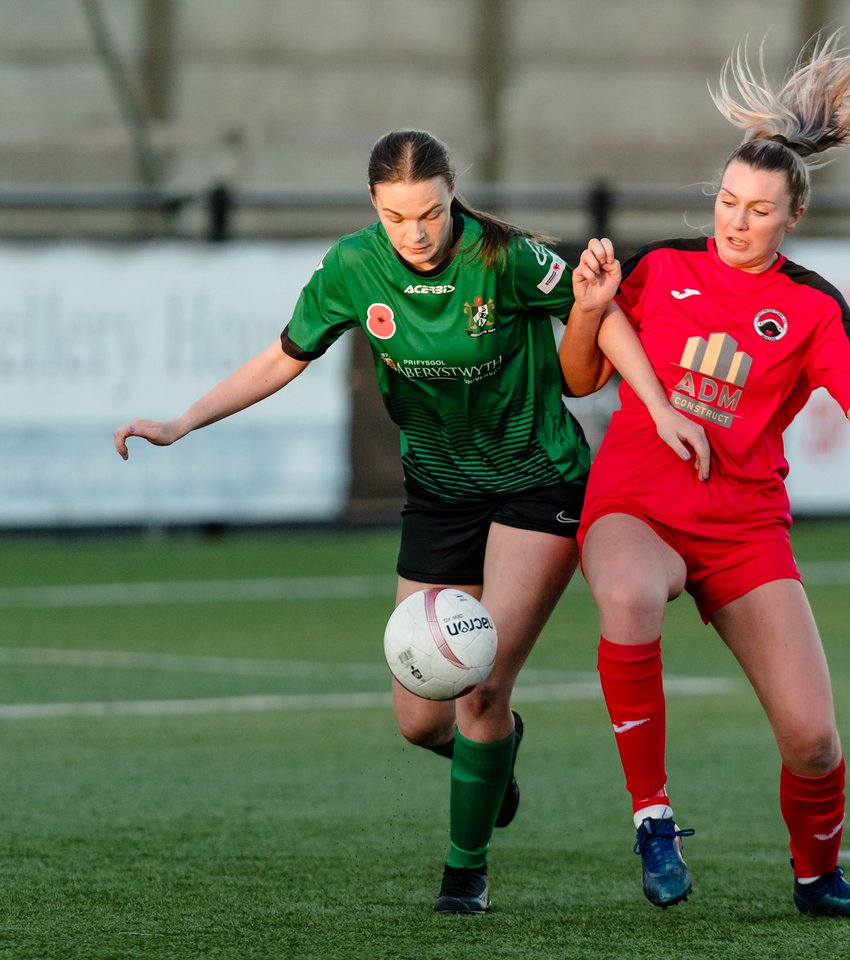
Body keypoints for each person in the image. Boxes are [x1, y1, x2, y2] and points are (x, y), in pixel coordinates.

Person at [113, 128, 704, 915]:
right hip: (439, 490)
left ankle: (465, 873)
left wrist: (658, 407)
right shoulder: (353, 267)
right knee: (421, 719)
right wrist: (182, 422)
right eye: (397, 217)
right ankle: (496, 755)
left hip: (538, 481)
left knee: (480, 687)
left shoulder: (503, 257)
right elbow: (283, 356)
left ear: (452, 195)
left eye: (429, 213)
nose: (416, 233)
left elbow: (605, 319)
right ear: (373, 206)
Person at [560, 31, 850, 918]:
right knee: (628, 596)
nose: (736, 221)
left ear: (794, 217)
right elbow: (582, 375)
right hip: (637, 501)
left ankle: (818, 880)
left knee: (814, 740)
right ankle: (653, 819)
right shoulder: (661, 269)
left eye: (758, 209)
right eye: (726, 201)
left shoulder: (812, 305)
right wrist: (589, 312)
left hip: (744, 526)